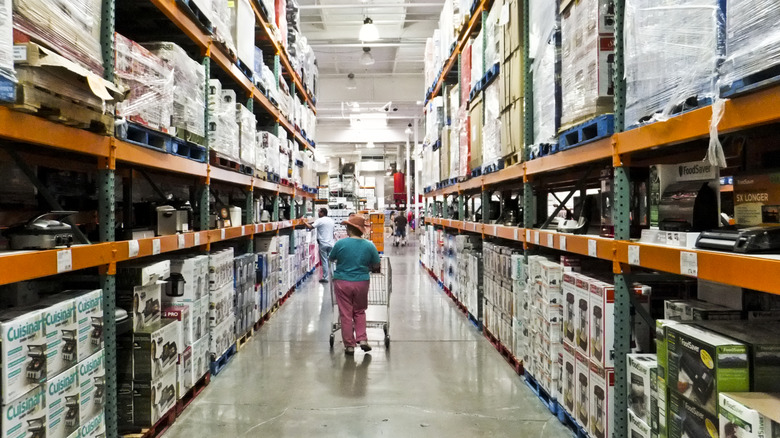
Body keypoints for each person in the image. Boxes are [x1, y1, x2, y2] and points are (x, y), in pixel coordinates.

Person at [329, 215, 381, 355]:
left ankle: (349, 345)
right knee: (359, 311)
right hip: (362, 282)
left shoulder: (340, 244)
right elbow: (376, 264)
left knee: (346, 314)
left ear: (349, 229)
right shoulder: (369, 245)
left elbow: (331, 258)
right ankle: (362, 339)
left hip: (342, 281)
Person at [304, 208, 335, 283]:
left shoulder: (320, 220)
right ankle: (334, 276)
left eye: (319, 212)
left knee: (324, 261)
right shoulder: (331, 220)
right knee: (331, 261)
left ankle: (325, 277)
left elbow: (310, 227)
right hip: (331, 243)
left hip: (323, 244)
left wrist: (304, 221)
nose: (318, 213)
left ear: (322, 212)